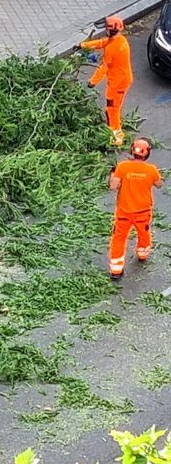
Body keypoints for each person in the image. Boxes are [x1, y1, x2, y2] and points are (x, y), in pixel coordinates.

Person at [106, 137, 163, 279]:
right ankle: (142, 254)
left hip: (124, 213)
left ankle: (116, 270)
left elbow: (113, 187)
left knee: (119, 238)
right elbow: (159, 184)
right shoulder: (151, 170)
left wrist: (113, 174)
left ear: (132, 150)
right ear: (147, 153)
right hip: (143, 212)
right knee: (144, 234)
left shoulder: (123, 167)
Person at [80, 15, 133, 146]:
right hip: (120, 79)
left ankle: (117, 136)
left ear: (111, 30)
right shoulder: (120, 40)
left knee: (112, 109)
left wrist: (93, 82)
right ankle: (113, 129)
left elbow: (104, 67)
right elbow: (103, 42)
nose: (105, 31)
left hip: (117, 83)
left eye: (106, 29)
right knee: (112, 107)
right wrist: (84, 46)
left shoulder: (112, 48)